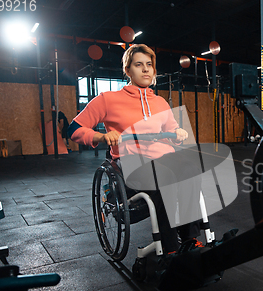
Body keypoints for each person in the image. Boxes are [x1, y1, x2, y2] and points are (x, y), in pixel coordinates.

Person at [68, 44, 203, 254]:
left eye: (149, 65)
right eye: (139, 65)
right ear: (128, 70)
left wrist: (179, 133)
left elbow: (172, 131)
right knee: (165, 179)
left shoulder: (159, 102)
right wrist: (102, 136)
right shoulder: (108, 100)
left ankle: (190, 239)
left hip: (163, 159)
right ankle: (171, 249)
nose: (146, 69)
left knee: (191, 170)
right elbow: (74, 129)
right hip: (132, 163)